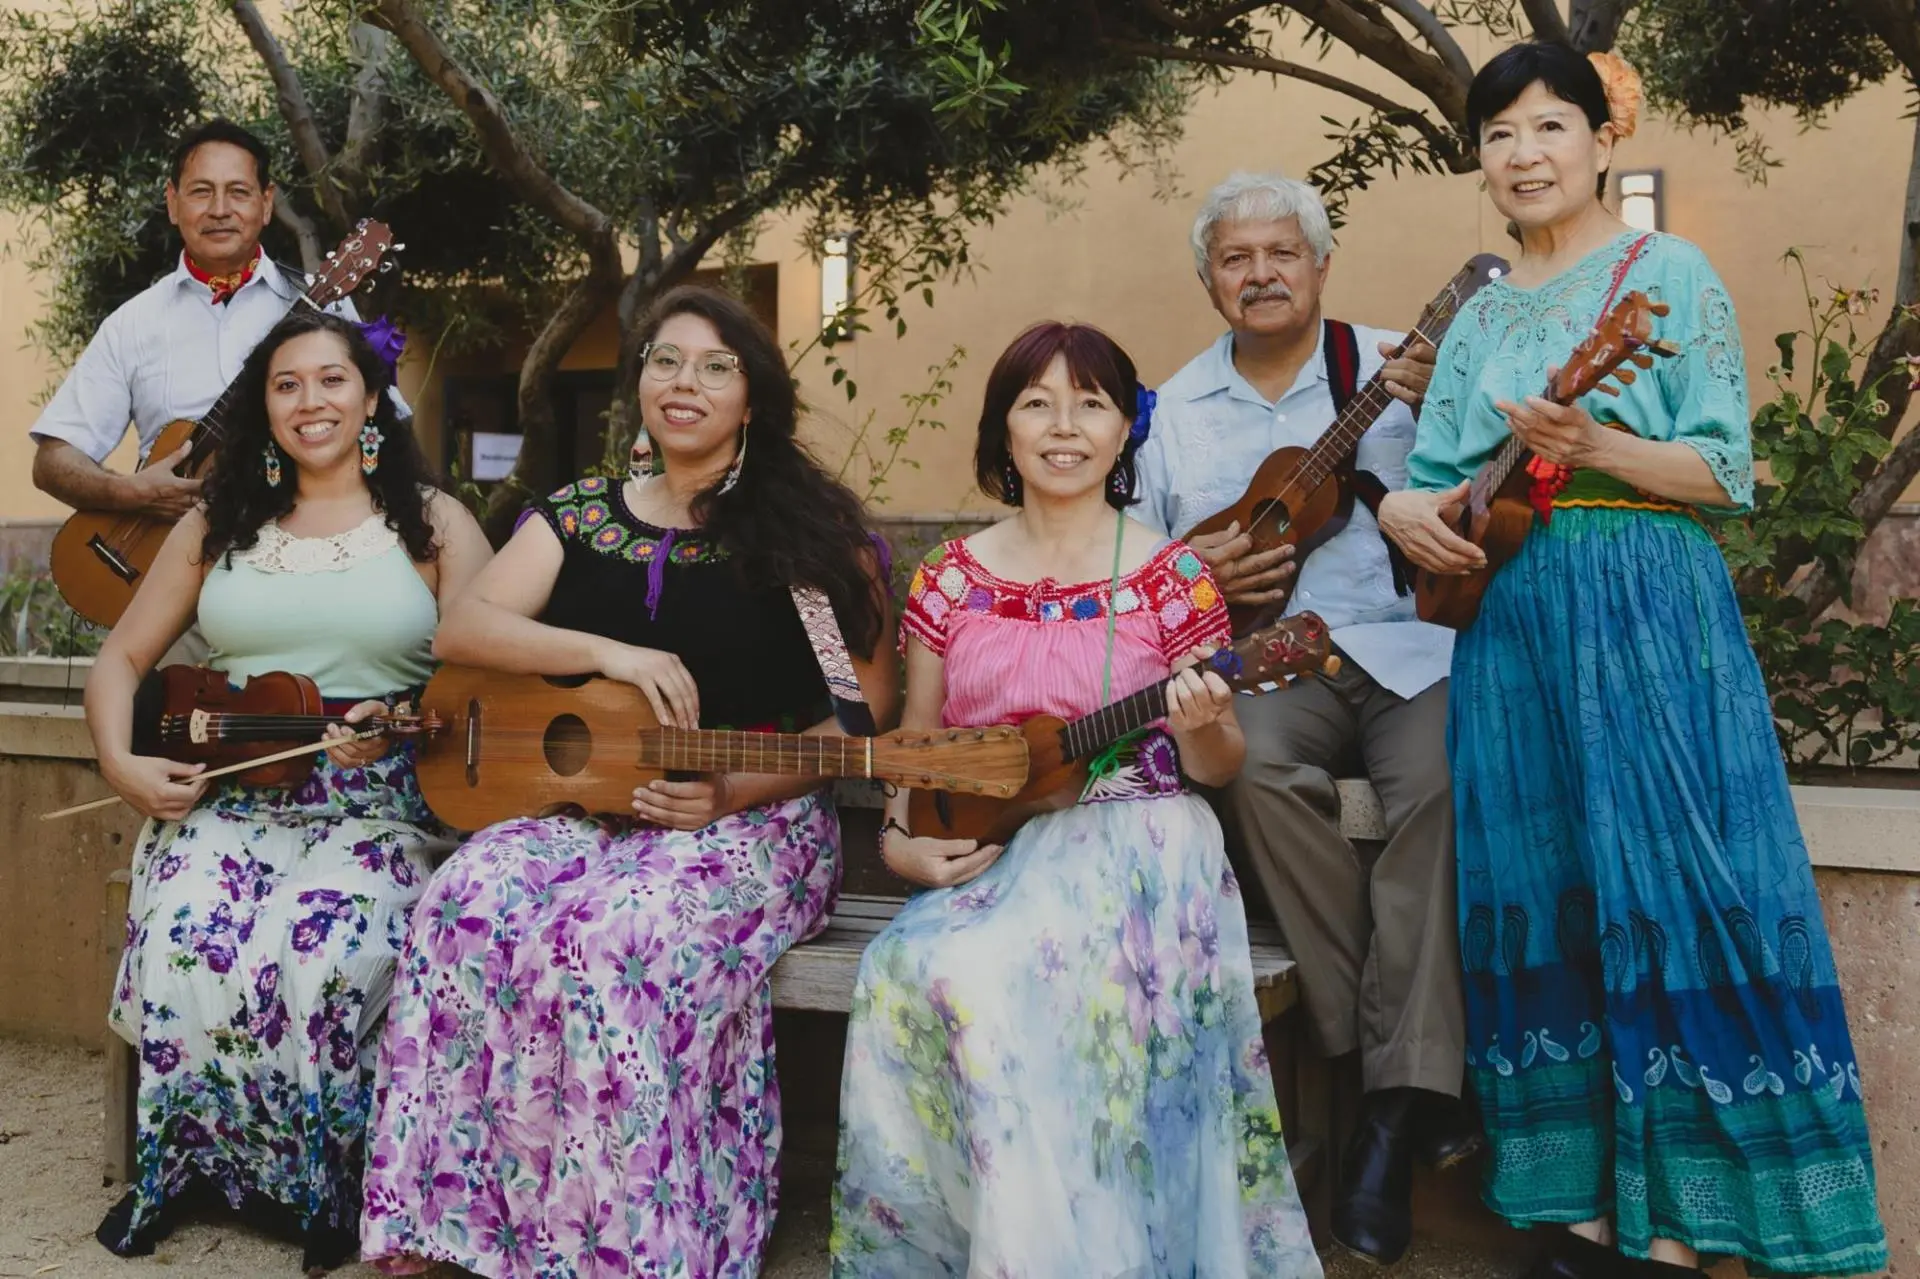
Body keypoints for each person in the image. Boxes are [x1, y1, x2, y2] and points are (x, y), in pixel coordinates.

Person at [1376, 42, 1887, 1279]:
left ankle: (1694, 1220)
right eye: (1500, 135)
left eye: (1550, 127)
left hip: (1650, 607)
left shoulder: (1670, 272)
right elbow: (1440, 482)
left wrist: (1595, 443)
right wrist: (1400, 509)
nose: (1524, 155)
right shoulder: (1487, 315)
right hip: (1513, 628)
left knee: (1676, 888)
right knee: (1549, 888)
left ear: (1602, 139)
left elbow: (1726, 473)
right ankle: (1585, 1213)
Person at [358, 285, 898, 1279]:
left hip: (748, 821)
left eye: (715, 366)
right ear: (637, 381)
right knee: (465, 900)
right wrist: (611, 651)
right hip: (598, 811)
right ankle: (451, 1225)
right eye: (664, 360)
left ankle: (621, 1246)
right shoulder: (577, 516)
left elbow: (859, 716)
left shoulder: (803, 540)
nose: (684, 382)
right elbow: (466, 629)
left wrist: (730, 790)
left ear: (754, 398)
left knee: (619, 940)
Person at [830, 322, 1320, 1278]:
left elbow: (1217, 767)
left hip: (1138, 846)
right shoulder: (951, 579)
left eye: (1091, 402)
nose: (1065, 425)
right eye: (1037, 402)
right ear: (1002, 431)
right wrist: (898, 841)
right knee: (903, 971)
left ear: (1125, 431)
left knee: (1001, 980)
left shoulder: (1173, 577)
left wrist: (1205, 718)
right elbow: (919, 750)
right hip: (994, 848)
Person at [85, 310, 491, 1269]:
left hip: (382, 798)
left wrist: (402, 722)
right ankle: (180, 1171)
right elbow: (119, 660)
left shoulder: (433, 522)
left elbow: (489, 683)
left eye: (331, 380)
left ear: (370, 398)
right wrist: (121, 763)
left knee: (327, 941)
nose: (311, 401)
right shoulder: (214, 522)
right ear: (265, 407)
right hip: (237, 791)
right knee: (186, 932)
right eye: (287, 384)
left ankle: (327, 1188)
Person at [1132, 170, 1476, 1264]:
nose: (1261, 273)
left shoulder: (1398, 366)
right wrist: (1197, 565)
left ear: (1321, 264)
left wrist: (1445, 411)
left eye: (1282, 252)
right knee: (1250, 772)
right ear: (1208, 280)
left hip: (1408, 648)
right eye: (1236, 258)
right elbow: (1141, 563)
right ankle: (1405, 1078)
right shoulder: (1176, 409)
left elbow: (1494, 490)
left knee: (1441, 785)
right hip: (1273, 663)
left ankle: (1379, 1103)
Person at [31, 118, 382, 521]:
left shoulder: (325, 307)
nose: (219, 210)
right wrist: (127, 491)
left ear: (266, 203)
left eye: (238, 192)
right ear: (173, 202)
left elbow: (386, 427)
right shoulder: (131, 324)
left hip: (302, 553)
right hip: (165, 564)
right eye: (201, 192)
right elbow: (52, 461)